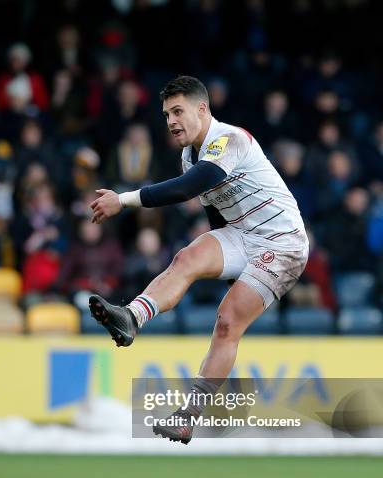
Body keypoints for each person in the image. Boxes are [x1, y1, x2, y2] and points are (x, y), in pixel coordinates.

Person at [89, 75, 309, 444]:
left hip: (283, 242)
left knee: (226, 322)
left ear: (202, 109)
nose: (171, 121)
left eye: (178, 111)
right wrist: (224, 267)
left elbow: (188, 188)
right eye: (166, 114)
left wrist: (122, 200)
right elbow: (216, 215)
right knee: (187, 257)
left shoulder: (230, 140)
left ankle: (189, 416)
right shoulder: (189, 154)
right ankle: (132, 317)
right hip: (241, 234)